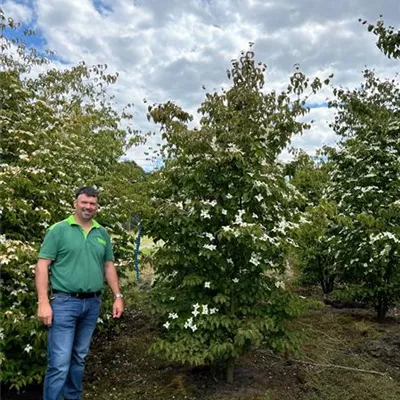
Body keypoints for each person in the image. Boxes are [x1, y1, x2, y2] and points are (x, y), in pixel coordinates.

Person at [35, 186, 124, 400]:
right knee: (59, 362)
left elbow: (108, 266)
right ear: (75, 203)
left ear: (97, 206)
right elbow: (42, 266)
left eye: (92, 204)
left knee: (79, 357)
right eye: (84, 202)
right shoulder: (59, 230)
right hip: (64, 303)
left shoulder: (101, 233)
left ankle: (73, 397)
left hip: (92, 304)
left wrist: (118, 296)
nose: (88, 207)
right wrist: (43, 302)